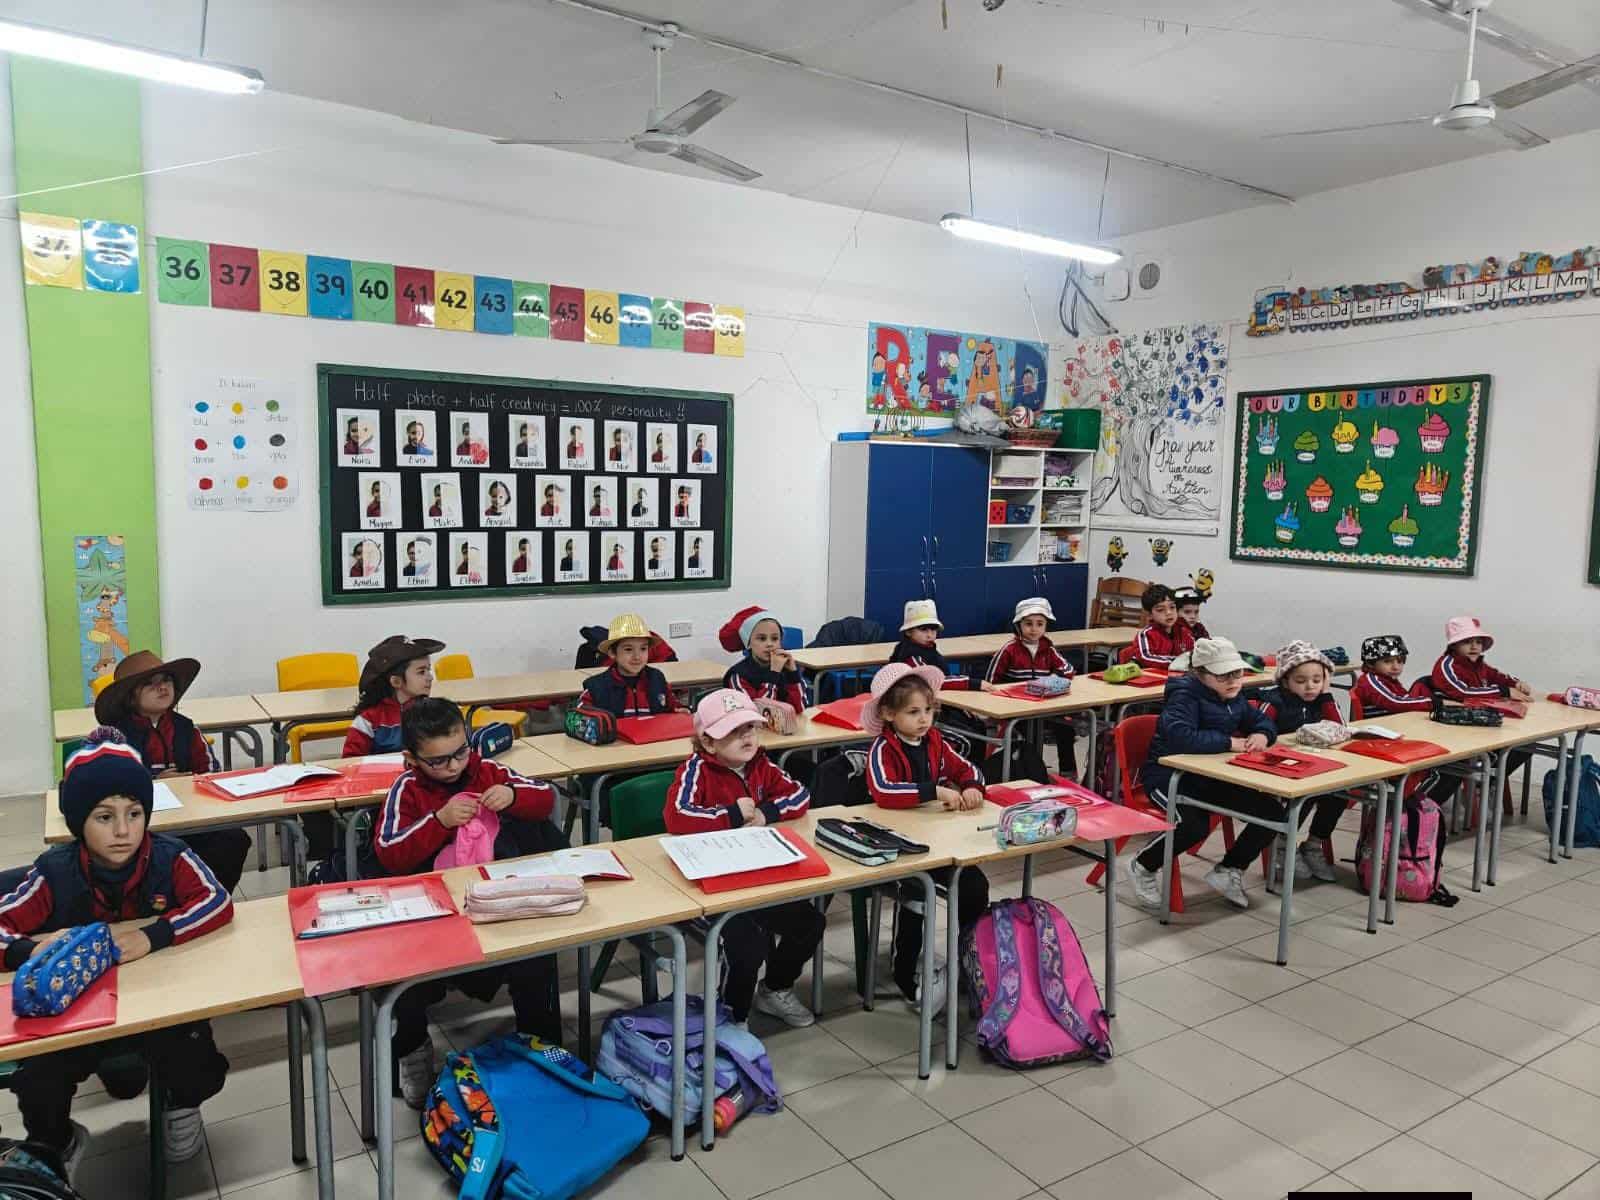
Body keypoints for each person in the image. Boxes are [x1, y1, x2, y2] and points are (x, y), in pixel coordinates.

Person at [1, 732, 232, 1171]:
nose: (124, 831)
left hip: (157, 1003)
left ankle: (181, 1105)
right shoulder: (54, 873)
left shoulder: (169, 857)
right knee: (38, 1079)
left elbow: (216, 900)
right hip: (75, 1014)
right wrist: (27, 950)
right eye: (104, 817)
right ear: (78, 822)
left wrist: (155, 935)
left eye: (135, 813)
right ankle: (57, 1139)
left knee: (192, 1051)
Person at [373, 699, 565, 1106]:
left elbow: (545, 798)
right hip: (434, 912)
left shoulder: (486, 769)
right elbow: (389, 852)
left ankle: (541, 1047)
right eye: (438, 761)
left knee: (537, 958)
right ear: (411, 759)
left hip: (495, 903)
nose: (454, 766)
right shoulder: (407, 789)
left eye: (460, 752)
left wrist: (512, 796)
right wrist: (439, 822)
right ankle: (413, 1048)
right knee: (404, 975)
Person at [664, 690, 820, 1030]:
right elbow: (677, 816)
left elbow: (800, 795)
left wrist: (766, 813)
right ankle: (732, 1016)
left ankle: (775, 988)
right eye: (734, 732)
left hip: (758, 876)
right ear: (708, 742)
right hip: (713, 887)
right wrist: (731, 814)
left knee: (809, 923)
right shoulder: (696, 770)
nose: (747, 737)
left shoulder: (761, 764)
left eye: (750, 727)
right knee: (748, 944)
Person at [863, 664, 988, 1013]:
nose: (923, 719)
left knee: (974, 886)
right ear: (889, 714)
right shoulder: (883, 748)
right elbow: (884, 791)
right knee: (917, 896)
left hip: (937, 841)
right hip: (899, 848)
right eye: (913, 712)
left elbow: (968, 768)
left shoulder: (935, 741)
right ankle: (904, 972)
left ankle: (968, 958)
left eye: (928, 710)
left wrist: (972, 787)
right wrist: (933, 790)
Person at [1128, 637, 1280, 910]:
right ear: (1200, 674)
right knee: (1192, 825)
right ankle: (1143, 865)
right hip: (1167, 776)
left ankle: (1229, 869)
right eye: (1223, 675)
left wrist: (1261, 733)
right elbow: (1181, 737)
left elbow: (1261, 720)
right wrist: (1228, 742)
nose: (1232, 680)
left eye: (1237, 673)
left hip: (1212, 775)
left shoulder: (1234, 696)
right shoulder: (1183, 696)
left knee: (1272, 813)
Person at [95, 651, 251, 893]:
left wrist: (190, 782)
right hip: (139, 824)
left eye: (166, 680)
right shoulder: (115, 737)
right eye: (150, 683)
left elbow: (211, 771)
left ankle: (209, 897)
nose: (162, 687)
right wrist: (154, 782)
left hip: (190, 816)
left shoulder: (185, 728)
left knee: (234, 839)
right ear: (131, 697)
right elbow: (107, 785)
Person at [1251, 641, 1345, 884]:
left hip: (1314, 764)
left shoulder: (1321, 699)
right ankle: (1283, 844)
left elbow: (1339, 729)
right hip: (1279, 769)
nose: (1310, 686)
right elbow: (1260, 728)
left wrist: (1326, 694)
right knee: (1305, 794)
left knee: (1339, 793)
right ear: (1285, 681)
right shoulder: (1274, 700)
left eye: (1317, 679)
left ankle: (1313, 844)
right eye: (1301, 681)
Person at [1431, 616, 1534, 817]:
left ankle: (1488, 781)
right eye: (1467, 641)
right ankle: (1482, 781)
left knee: (1526, 744)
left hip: (1482, 723)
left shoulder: (1479, 664)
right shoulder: (1446, 665)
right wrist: (1504, 691)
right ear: (1453, 645)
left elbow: (1498, 676)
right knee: (1509, 745)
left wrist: (1516, 683)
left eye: (1478, 642)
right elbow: (1463, 692)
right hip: (1456, 728)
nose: (1474, 646)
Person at [984, 596, 1077, 771]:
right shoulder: (1009, 650)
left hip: (1044, 708)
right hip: (1016, 710)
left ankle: (1068, 772)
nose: (1034, 629)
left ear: (1046, 626)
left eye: (1040, 624)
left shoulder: (1048, 649)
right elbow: (990, 682)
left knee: (1066, 729)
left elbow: (1068, 669)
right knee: (1030, 733)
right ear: (1018, 625)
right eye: (1028, 624)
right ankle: (1034, 771)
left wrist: (1053, 677)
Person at [344, 636, 443, 757]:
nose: (430, 677)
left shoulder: (431, 712)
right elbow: (350, 761)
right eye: (421, 672)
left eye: (429, 670)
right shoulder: (368, 721)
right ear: (396, 681)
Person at [575, 614, 682, 719]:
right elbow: (578, 718)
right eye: (628, 649)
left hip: (653, 731)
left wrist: (680, 710)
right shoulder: (596, 687)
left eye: (643, 649)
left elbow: (673, 706)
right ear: (612, 653)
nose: (637, 656)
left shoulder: (657, 679)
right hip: (615, 732)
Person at [719, 605, 805, 711]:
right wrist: (773, 675)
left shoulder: (784, 668)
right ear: (748, 643)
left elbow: (800, 709)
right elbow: (758, 713)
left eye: (775, 639)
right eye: (762, 639)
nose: (769, 644)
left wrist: (793, 675)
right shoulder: (738, 675)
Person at [1125, 583, 1195, 669]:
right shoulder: (1147, 634)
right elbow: (1145, 657)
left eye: (1172, 607)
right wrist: (1177, 662)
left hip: (1174, 675)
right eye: (1160, 610)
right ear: (1150, 615)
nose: (1169, 612)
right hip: (1150, 674)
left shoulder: (1185, 632)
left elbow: (1194, 654)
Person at [891, 599, 949, 673]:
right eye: (923, 629)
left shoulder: (926, 648)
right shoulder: (912, 658)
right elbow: (925, 678)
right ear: (908, 632)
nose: (929, 635)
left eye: (933, 629)